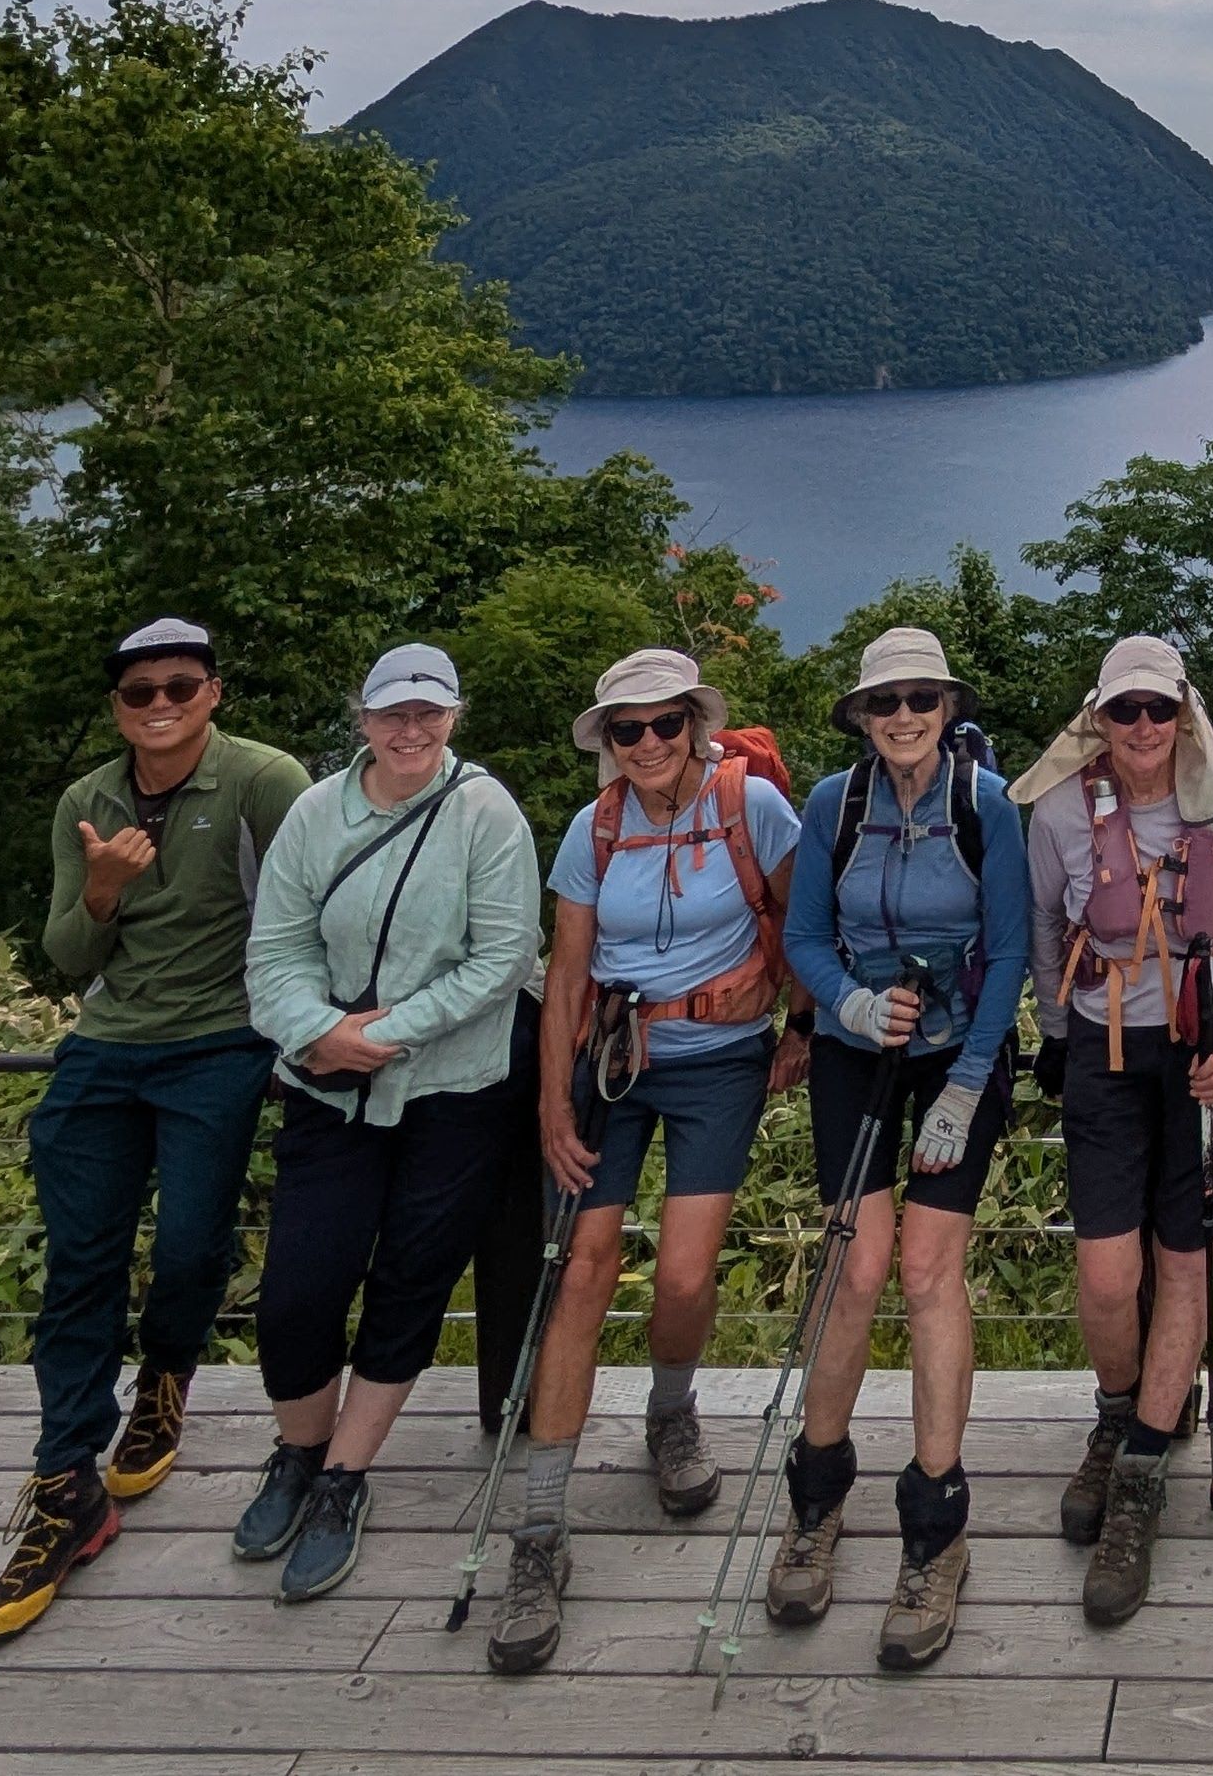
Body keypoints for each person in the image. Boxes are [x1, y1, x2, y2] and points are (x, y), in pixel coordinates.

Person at [0, 617, 309, 1643]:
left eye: (180, 686)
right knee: (78, 1261)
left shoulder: (264, 783)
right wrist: (105, 889)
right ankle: (64, 1480)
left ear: (214, 692)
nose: (159, 706)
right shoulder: (88, 800)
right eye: (137, 693)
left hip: (222, 1041)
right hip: (108, 1045)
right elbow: (70, 955)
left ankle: (164, 1380)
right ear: (117, 707)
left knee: (190, 1244)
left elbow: (307, 912)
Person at [484, 645, 810, 1678]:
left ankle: (670, 1406)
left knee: (681, 1272)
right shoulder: (593, 829)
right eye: (630, 730)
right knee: (580, 1269)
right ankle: (539, 1532)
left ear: (696, 726)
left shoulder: (752, 808)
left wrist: (804, 1026)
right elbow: (568, 968)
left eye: (668, 723)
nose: (652, 743)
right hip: (611, 1063)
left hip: (719, 1061)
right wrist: (549, 1103)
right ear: (609, 743)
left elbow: (801, 919)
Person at [225, 642, 543, 1602]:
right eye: (392, 714)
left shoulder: (487, 813)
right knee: (297, 1291)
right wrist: (318, 1033)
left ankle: (344, 1478)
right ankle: (297, 1452)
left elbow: (504, 958)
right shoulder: (318, 815)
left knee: (411, 1278)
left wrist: (382, 1035)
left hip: (456, 1090)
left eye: (429, 714)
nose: (411, 731)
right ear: (361, 719)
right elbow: (272, 949)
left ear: (454, 715)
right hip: (330, 1089)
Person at [764, 626, 1031, 1671]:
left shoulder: (987, 807)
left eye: (922, 699)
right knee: (852, 1267)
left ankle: (935, 1525)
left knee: (926, 1271)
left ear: (948, 709)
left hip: (956, 1053)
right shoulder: (833, 804)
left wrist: (965, 1087)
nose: (905, 717)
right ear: (862, 718)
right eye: (886, 704)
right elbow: (802, 938)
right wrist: (849, 1001)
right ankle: (816, 1495)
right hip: (855, 1046)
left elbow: (1011, 948)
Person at [1017, 631, 1213, 1627]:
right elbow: (1048, 931)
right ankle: (1117, 1411)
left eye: (1158, 710)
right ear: (1098, 715)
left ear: (1184, 714)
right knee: (1105, 1273)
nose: (1141, 728)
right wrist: (1055, 1031)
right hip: (1103, 1055)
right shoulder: (1059, 808)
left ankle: (1139, 1470)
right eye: (1123, 710)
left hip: (1205, 1059)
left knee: (1181, 1263)